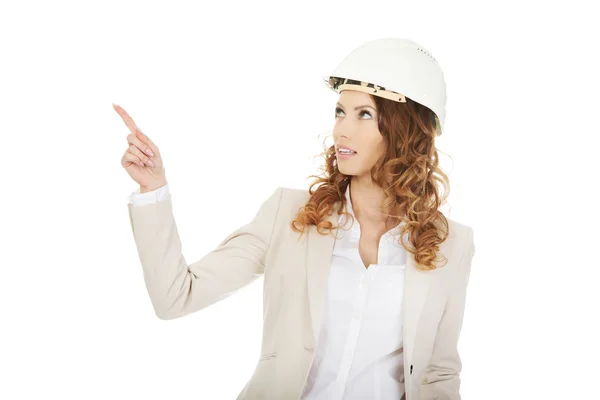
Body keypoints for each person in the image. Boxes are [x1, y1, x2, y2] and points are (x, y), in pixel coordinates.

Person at [117, 37, 475, 400]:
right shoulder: (289, 215)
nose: (341, 130)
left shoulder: (451, 244)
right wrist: (153, 190)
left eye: (364, 114)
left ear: (407, 130)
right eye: (340, 112)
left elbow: (439, 373)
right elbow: (176, 297)